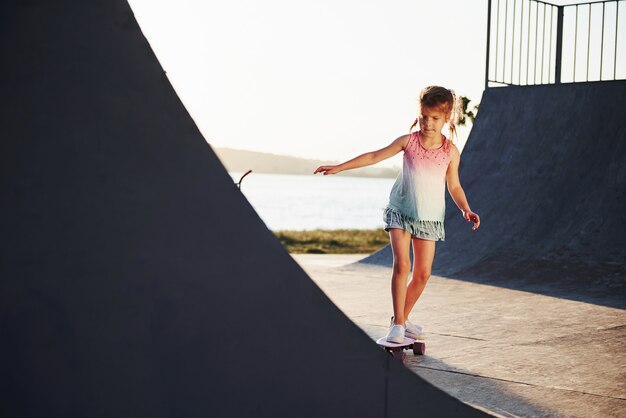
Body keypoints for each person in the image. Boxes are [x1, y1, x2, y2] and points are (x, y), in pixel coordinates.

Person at [314, 86, 480, 343]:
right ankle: (399, 324)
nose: (428, 123)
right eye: (424, 116)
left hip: (429, 218)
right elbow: (375, 155)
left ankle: (400, 318)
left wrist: (465, 209)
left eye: (435, 118)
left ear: (446, 118)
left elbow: (454, 185)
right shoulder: (409, 141)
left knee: (423, 274)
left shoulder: (450, 152)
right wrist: (340, 167)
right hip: (400, 212)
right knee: (402, 265)